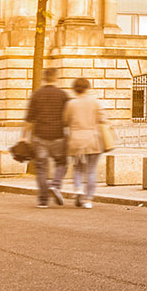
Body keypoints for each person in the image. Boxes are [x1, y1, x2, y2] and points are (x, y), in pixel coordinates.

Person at [23, 68, 71, 208]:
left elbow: (29, 119)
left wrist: (23, 137)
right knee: (61, 163)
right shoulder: (63, 95)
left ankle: (43, 200)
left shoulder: (36, 95)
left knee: (41, 168)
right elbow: (68, 117)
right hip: (58, 135)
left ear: (44, 78)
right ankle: (55, 185)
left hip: (39, 136)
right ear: (56, 78)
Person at [63, 78, 107, 209]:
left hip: (75, 140)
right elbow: (103, 119)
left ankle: (78, 190)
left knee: (77, 168)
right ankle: (88, 199)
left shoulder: (71, 104)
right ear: (88, 87)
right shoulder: (95, 102)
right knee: (91, 171)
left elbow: (65, 121)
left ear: (74, 89)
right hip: (92, 140)